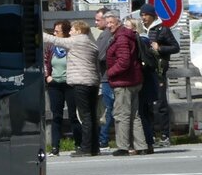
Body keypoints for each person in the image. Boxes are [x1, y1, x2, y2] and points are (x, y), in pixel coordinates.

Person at [42, 20, 100, 157]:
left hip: (80, 82)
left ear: (79, 31)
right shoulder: (92, 43)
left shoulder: (76, 41)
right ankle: (94, 147)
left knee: (84, 117)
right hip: (93, 82)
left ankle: (85, 148)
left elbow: (53, 39)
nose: (70, 32)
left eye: (72, 30)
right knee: (91, 116)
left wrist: (36, 31)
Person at [104, 12, 147, 156]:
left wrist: (110, 73)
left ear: (118, 22)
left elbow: (124, 62)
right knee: (134, 115)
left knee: (121, 115)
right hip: (134, 80)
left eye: (111, 22)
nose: (109, 25)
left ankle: (123, 146)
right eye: (107, 22)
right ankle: (141, 145)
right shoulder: (127, 35)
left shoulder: (121, 38)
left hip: (124, 82)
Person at [139, 3, 180, 147]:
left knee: (161, 103)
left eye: (146, 15)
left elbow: (176, 47)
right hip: (146, 71)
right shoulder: (141, 30)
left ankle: (165, 136)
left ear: (152, 16)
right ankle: (150, 135)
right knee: (147, 104)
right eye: (142, 15)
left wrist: (160, 48)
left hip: (159, 71)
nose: (143, 18)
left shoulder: (162, 29)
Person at [43, 19, 79, 154]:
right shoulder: (51, 47)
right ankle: (54, 147)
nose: (54, 33)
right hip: (55, 85)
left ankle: (78, 143)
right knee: (56, 116)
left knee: (73, 115)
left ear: (64, 33)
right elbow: (45, 62)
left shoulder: (71, 46)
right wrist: (47, 76)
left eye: (57, 31)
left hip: (70, 84)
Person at [128, 18, 158, 153]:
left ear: (135, 28)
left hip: (142, 82)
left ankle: (145, 143)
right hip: (146, 82)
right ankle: (148, 143)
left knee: (140, 113)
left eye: (127, 27)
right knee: (143, 113)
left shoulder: (140, 41)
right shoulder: (144, 40)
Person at [94, 9, 114, 150]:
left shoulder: (105, 35)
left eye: (98, 20)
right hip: (107, 76)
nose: (96, 23)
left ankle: (103, 139)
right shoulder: (106, 34)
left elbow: (99, 55)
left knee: (108, 109)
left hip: (107, 77)